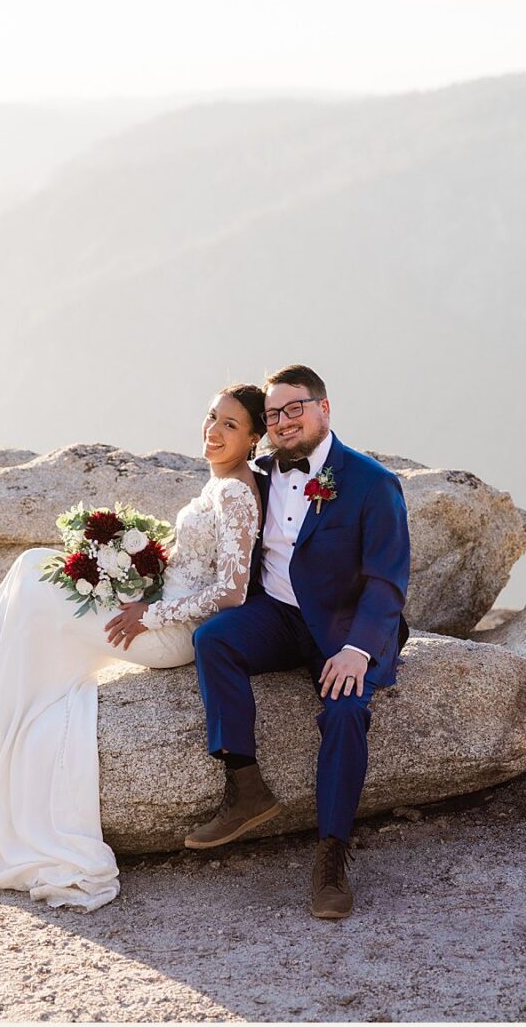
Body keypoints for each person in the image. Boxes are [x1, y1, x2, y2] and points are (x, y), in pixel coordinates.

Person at [0, 383, 267, 912]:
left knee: (34, 585)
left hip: (169, 633)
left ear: (254, 437)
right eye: (211, 417)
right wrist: (131, 568)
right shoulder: (220, 484)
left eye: (230, 425)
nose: (214, 431)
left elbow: (232, 591)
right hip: (154, 606)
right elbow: (192, 564)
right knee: (32, 569)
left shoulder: (235, 493)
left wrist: (148, 614)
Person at [186, 364, 412, 920]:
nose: (285, 422)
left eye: (296, 409)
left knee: (344, 713)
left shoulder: (370, 482)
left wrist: (359, 650)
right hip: (278, 617)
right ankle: (245, 785)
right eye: (274, 415)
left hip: (344, 630)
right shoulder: (258, 473)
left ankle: (331, 854)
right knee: (214, 639)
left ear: (324, 408)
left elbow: (388, 581)